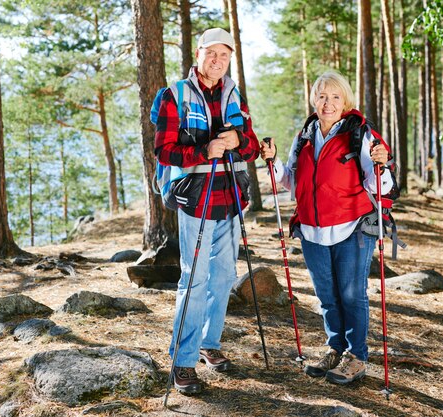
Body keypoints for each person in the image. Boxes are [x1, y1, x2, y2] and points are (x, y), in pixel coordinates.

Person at [259, 70, 392, 385]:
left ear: (345, 101)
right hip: (312, 230)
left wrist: (382, 163)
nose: (328, 103)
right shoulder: (305, 134)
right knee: (327, 297)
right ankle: (336, 348)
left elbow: (379, 186)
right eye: (322, 96)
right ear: (313, 100)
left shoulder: (359, 133)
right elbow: (291, 181)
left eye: (335, 96)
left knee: (351, 295)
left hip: (353, 227)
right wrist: (273, 162)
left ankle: (356, 357)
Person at [154, 27, 260, 395]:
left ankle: (208, 344)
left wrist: (239, 141)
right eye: (211, 53)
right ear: (197, 54)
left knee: (223, 277)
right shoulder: (175, 95)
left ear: (231, 58)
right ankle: (182, 362)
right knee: (194, 279)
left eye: (225, 55)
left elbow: (251, 148)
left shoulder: (234, 94)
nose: (217, 61)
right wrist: (203, 152)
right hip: (196, 200)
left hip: (230, 197)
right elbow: (163, 151)